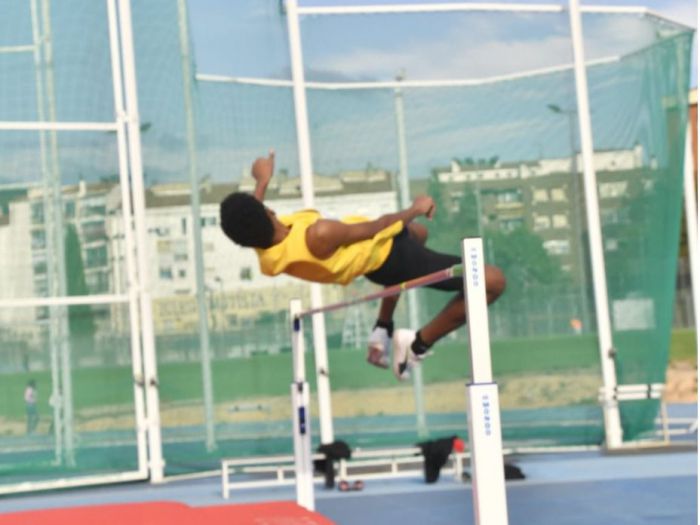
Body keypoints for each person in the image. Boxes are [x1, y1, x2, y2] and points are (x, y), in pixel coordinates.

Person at [220, 151, 506, 380]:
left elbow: (251, 216)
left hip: (372, 261)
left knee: (419, 234)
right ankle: (417, 343)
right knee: (491, 282)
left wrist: (262, 181)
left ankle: (383, 327)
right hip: (391, 257)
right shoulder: (317, 235)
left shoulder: (266, 251)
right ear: (266, 212)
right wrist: (416, 208)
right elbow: (380, 226)